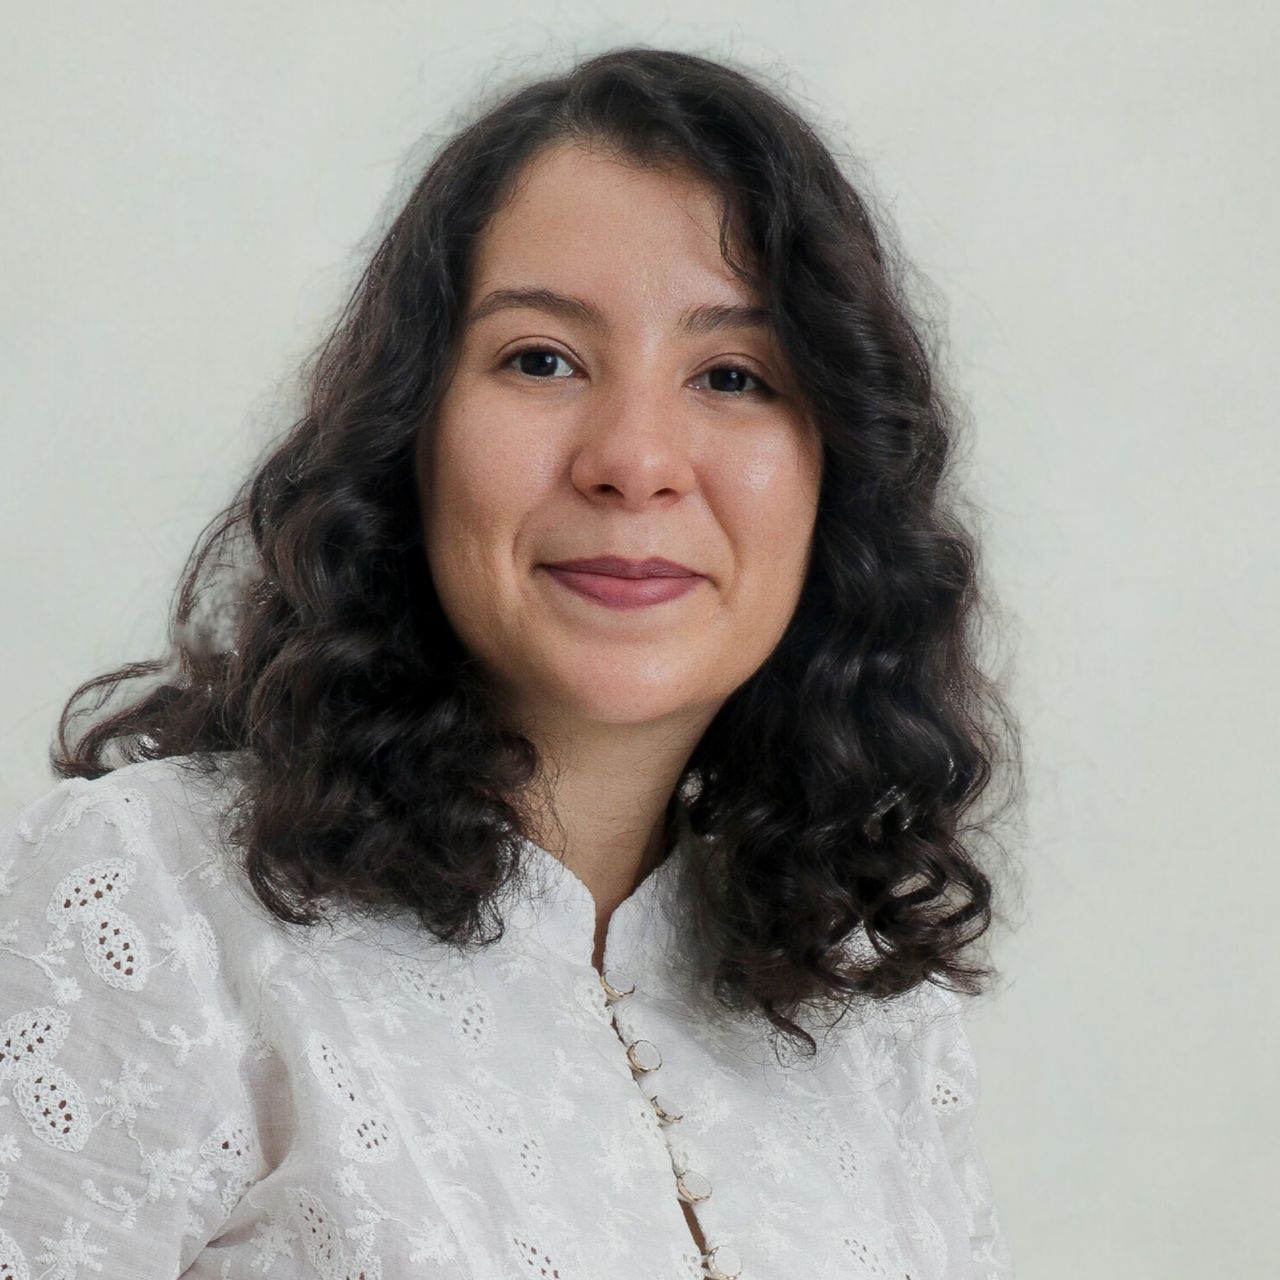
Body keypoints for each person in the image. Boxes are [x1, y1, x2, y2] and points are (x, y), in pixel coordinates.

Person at [0, 45, 1023, 1279]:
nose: (633, 459)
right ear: (410, 430)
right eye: (541, 358)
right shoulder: (151, 897)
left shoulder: (871, 1013)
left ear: (836, 477)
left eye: (732, 375)